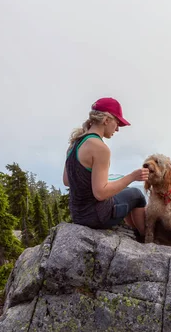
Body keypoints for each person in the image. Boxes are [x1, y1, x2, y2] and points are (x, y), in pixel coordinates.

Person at [63, 97, 148, 236]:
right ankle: (145, 237)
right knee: (136, 195)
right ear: (106, 120)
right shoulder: (100, 148)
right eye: (117, 123)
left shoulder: (75, 143)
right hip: (97, 217)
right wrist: (132, 177)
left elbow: (67, 180)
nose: (118, 129)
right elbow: (100, 193)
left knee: (124, 190)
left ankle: (134, 232)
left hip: (78, 216)